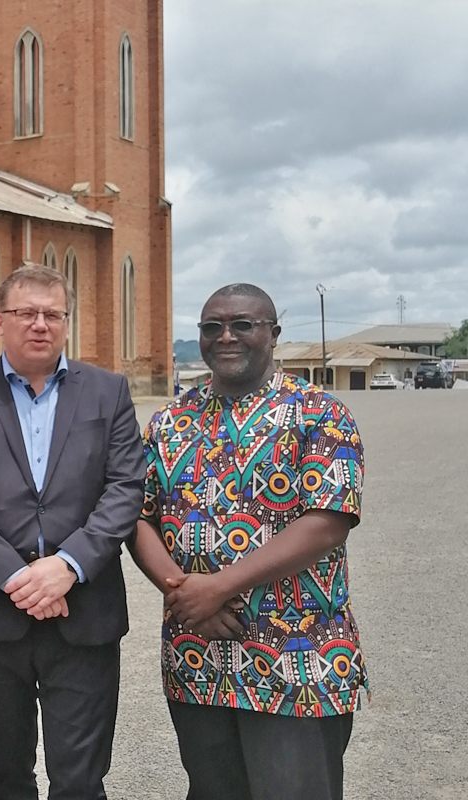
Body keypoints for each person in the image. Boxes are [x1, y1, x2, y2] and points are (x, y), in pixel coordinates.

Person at [129, 284, 367, 800]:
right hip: (198, 654)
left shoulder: (319, 414)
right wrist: (187, 594)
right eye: (212, 327)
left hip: (297, 658)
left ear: (274, 334)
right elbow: (136, 517)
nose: (226, 336)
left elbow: (327, 521)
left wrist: (217, 586)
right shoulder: (170, 421)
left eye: (243, 324)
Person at [0, 264, 145, 800]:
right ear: (0, 321)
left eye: (53, 314)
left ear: (67, 322)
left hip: (85, 615)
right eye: (27, 313)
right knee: (5, 778)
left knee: (79, 780)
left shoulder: (108, 391)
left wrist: (66, 566)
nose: (40, 325)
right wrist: (16, 577)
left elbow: (125, 488)